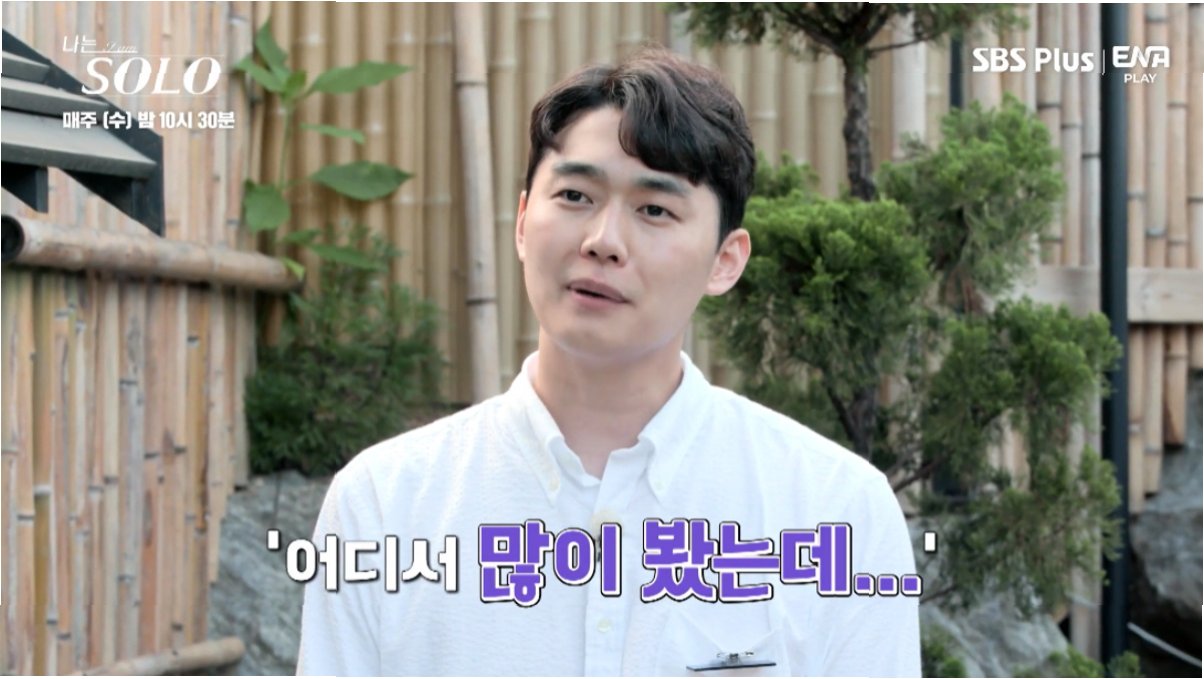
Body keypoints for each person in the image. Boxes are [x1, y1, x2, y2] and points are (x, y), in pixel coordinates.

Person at [296, 48, 920, 677]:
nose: (603, 242)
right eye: (575, 195)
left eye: (655, 210)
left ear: (724, 261)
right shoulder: (384, 506)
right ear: (522, 222)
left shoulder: (836, 512)